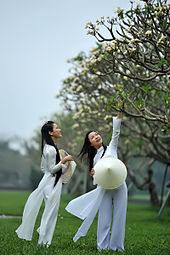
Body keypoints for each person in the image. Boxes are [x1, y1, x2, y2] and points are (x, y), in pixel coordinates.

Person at [66, 101, 127, 252]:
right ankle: (102, 246)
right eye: (93, 137)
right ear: (91, 143)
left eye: (97, 134)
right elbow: (96, 179)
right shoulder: (93, 160)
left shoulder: (112, 147)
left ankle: (116, 247)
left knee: (119, 218)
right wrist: (93, 173)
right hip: (104, 188)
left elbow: (116, 131)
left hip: (119, 186)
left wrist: (120, 110)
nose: (97, 136)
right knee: (104, 219)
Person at [16, 121, 74, 247]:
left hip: (47, 182)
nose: (59, 129)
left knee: (49, 212)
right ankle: (44, 243)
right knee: (50, 214)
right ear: (50, 132)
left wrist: (50, 175)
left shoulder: (47, 147)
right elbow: (52, 169)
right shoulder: (52, 150)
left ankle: (43, 241)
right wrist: (65, 160)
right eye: (56, 128)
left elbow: (44, 168)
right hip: (52, 183)